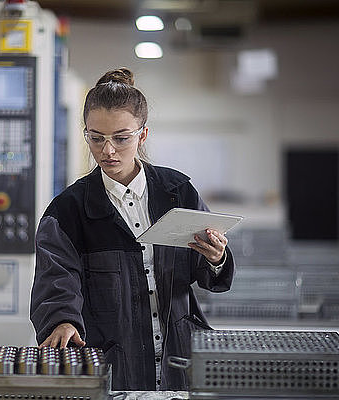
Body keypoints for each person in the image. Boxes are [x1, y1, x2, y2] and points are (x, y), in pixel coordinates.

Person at [30, 68, 235, 391]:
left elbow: (208, 275)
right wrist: (62, 319)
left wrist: (216, 257)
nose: (107, 151)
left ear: (142, 135)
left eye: (121, 138)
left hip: (179, 362)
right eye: (96, 138)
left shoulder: (177, 192)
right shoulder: (68, 210)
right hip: (111, 368)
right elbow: (56, 277)